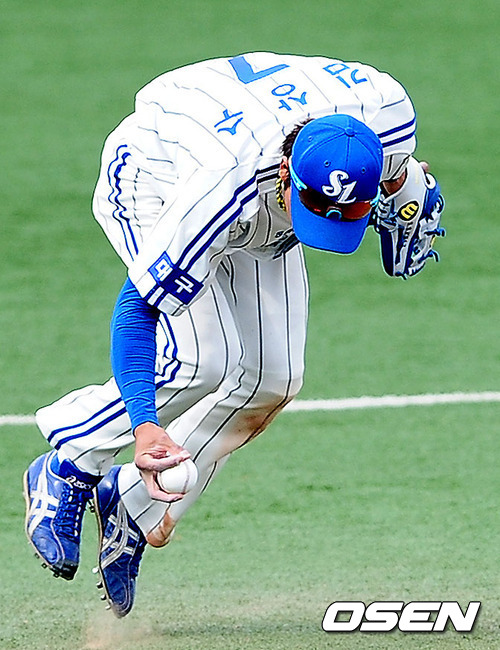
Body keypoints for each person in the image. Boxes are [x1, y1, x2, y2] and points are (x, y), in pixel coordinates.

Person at [23, 52, 445, 618]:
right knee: (202, 359)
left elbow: (399, 170)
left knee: (274, 378)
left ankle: (132, 506)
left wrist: (407, 199)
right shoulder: (223, 189)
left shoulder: (387, 114)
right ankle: (69, 462)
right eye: (313, 209)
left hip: (253, 160)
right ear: (288, 174)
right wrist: (145, 426)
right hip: (158, 172)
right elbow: (136, 313)